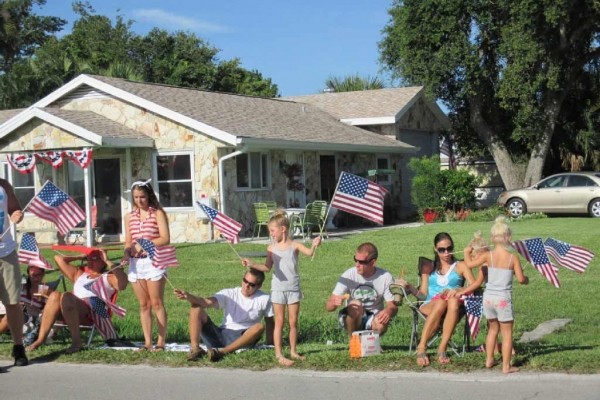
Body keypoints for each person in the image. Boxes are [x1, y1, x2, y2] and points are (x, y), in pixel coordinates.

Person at [242, 210, 321, 366]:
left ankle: (293, 351)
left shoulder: (295, 245)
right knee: (279, 322)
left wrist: (314, 244)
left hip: (293, 288)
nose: (271, 234)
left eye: (272, 230)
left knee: (293, 322)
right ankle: (278, 354)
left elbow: (310, 253)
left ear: (283, 229)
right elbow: (267, 267)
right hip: (278, 289)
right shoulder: (271, 248)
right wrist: (251, 264)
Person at [397, 232, 481, 366]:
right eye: (442, 250)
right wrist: (409, 286)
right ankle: (422, 347)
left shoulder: (460, 266)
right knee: (441, 302)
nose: (446, 253)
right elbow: (423, 295)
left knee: (451, 300)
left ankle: (442, 347)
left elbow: (474, 286)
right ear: (435, 249)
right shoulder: (428, 267)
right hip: (429, 304)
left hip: (453, 307)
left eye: (449, 248)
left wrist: (458, 290)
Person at [26, 249, 128, 353]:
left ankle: (76, 341)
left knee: (67, 296)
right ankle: (40, 339)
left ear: (102, 263)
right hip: (68, 309)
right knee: (55, 295)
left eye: (95, 260)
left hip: (89, 313)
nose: (90, 262)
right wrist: (80, 256)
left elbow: (123, 283)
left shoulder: (109, 277)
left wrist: (107, 260)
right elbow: (58, 259)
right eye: (88, 260)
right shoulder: (79, 274)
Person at [464, 216, 528, 373]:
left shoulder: (488, 256)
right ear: (509, 237)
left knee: (492, 329)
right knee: (507, 334)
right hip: (502, 300)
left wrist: (467, 252)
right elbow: (520, 280)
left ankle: (489, 359)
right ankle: (506, 366)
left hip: (488, 299)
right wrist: (525, 278)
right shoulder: (513, 258)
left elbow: (469, 264)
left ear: (492, 238)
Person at [174, 268, 274, 362]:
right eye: (245, 280)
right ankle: (195, 349)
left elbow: (270, 322)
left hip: (243, 338)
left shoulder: (265, 298)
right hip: (222, 334)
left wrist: (270, 344)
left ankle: (222, 352)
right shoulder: (229, 293)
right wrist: (188, 297)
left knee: (259, 327)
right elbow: (206, 302)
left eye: (251, 284)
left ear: (259, 286)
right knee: (196, 308)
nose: (246, 285)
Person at [122, 179, 171, 352]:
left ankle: (161, 341)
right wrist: (127, 252)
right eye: (136, 197)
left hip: (154, 261)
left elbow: (165, 238)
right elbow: (128, 241)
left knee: (156, 302)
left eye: (142, 197)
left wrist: (145, 244)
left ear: (149, 196)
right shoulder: (129, 216)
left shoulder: (157, 213)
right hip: (136, 264)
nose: (139, 201)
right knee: (143, 305)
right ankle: (147, 342)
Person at [326, 242, 399, 338]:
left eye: (361, 262)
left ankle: (370, 344)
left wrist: (388, 311)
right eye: (355, 260)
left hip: (373, 316)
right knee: (355, 304)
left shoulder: (385, 277)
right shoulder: (349, 275)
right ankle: (353, 341)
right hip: (351, 318)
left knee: (382, 321)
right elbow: (328, 307)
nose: (357, 265)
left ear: (373, 262)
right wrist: (334, 302)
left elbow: (392, 306)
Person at [0, 178, 28, 366]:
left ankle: (18, 347)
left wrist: (17, 215)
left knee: (12, 301)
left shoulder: (4, 185)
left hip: (6, 251)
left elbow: (15, 210)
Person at [0, 266, 49, 345]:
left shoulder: (45, 290)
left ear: (43, 274)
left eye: (39, 275)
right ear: (29, 275)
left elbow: (47, 312)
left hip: (30, 319)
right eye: (33, 275)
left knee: (11, 315)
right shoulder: (22, 287)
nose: (36, 278)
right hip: (13, 313)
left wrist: (46, 299)